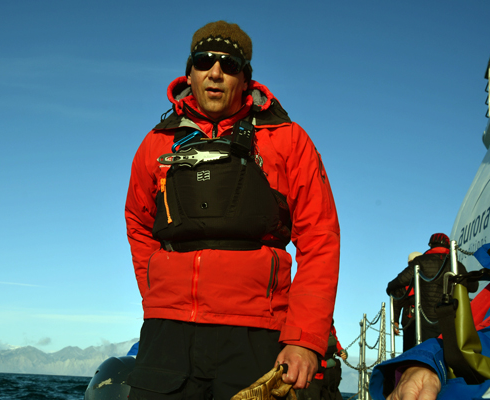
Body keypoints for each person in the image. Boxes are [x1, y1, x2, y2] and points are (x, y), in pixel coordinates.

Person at [124, 20, 340, 400]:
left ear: (245, 78)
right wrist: (157, 294)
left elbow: (320, 237)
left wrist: (304, 339)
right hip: (167, 333)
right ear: (189, 73)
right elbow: (139, 225)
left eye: (229, 64)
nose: (215, 72)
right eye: (204, 61)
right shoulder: (155, 144)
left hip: (257, 333)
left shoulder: (288, 139)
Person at [386, 233, 477, 345]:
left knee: (425, 348)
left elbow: (400, 281)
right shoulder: (456, 264)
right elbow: (473, 287)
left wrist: (389, 288)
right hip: (449, 315)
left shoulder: (421, 261)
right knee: (448, 348)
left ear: (431, 245)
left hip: (425, 317)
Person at [295, 321, 348, 400]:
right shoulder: (312, 326)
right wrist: (325, 364)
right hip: (314, 379)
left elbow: (335, 341)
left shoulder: (331, 327)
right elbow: (307, 354)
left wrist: (341, 351)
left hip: (329, 380)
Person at [390, 251, 421, 352]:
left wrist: (395, 321)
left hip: (409, 317)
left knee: (409, 349)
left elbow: (396, 300)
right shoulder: (429, 276)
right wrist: (395, 321)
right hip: (420, 316)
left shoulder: (402, 278)